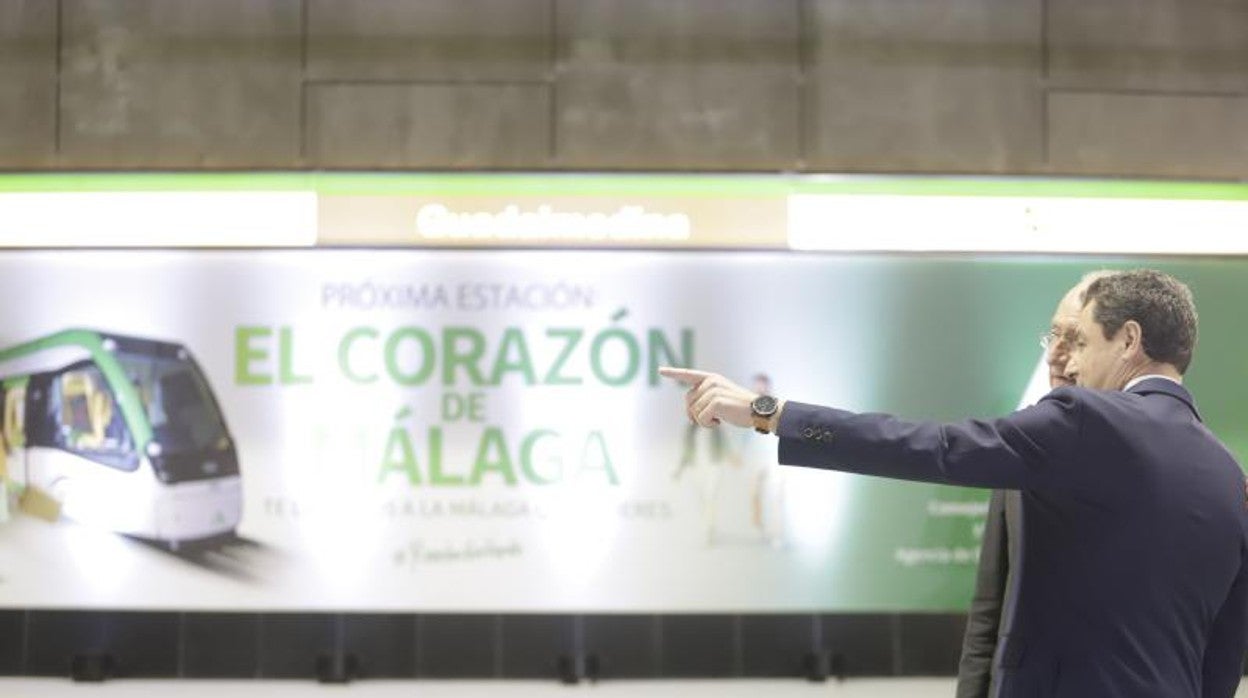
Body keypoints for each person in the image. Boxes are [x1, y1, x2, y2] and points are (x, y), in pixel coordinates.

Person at [662, 269, 1247, 697]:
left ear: (1128, 341)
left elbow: (932, 447)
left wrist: (768, 411)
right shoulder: (1228, 476)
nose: (1069, 365)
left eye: (1084, 343)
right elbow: (1225, 650)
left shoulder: (1087, 420)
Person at [957, 272, 1108, 698]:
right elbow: (989, 609)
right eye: (1053, 336)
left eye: (1075, 339)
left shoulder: (1161, 460)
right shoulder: (1020, 453)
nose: (1056, 356)